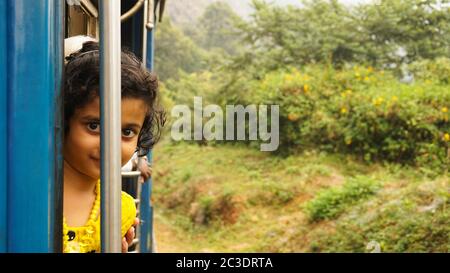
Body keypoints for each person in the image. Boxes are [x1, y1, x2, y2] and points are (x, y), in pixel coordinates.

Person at [63, 40, 164, 253]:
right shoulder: (27, 192)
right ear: (64, 120)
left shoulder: (121, 210)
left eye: (127, 132)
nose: (111, 146)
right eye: (94, 126)